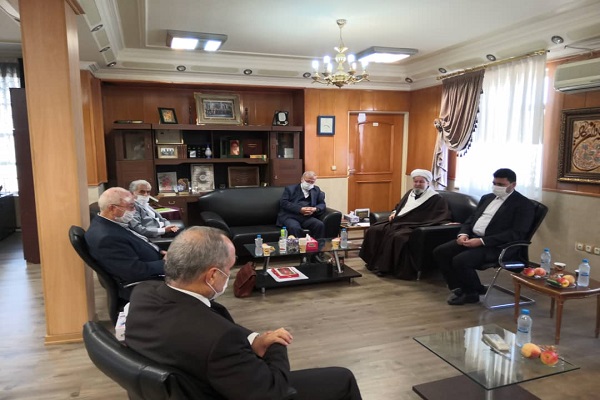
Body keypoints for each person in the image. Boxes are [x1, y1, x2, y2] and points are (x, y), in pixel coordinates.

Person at [125, 226, 362, 400]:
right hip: (229, 392)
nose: (230, 275)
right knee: (342, 379)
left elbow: (214, 321)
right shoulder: (218, 339)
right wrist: (275, 344)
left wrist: (252, 339)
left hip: (195, 381)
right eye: (229, 268)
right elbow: (273, 392)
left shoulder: (143, 293)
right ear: (212, 275)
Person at [433, 168, 535, 305]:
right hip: (473, 238)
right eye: (494, 183)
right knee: (441, 252)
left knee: (461, 260)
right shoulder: (487, 198)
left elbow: (516, 233)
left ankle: (471, 294)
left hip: (497, 246)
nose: (496, 187)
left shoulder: (523, 205)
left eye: (501, 184)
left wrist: (482, 241)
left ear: (513, 185)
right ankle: (461, 287)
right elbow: (471, 219)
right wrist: (463, 234)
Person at [359, 169, 451, 278]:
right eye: (416, 181)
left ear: (428, 183)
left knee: (397, 236)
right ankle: (373, 262)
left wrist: (444, 223)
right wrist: (394, 212)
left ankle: (388, 268)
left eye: (421, 182)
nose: (418, 184)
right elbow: (399, 206)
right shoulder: (410, 193)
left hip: (415, 225)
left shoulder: (436, 198)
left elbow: (440, 215)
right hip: (399, 221)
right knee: (374, 229)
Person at [85, 187, 165, 300]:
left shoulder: (112, 223)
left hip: (154, 265)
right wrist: (166, 264)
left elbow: (137, 243)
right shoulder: (107, 237)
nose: (134, 210)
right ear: (112, 208)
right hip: (145, 285)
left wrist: (159, 252)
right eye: (131, 206)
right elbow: (134, 271)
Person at [277, 171, 326, 239]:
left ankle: (318, 245)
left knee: (319, 225)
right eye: (308, 181)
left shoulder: (316, 189)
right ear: (302, 179)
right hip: (291, 216)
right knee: (294, 227)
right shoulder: (290, 189)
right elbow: (284, 203)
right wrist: (300, 209)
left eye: (312, 182)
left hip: (306, 217)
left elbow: (322, 204)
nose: (310, 184)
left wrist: (315, 209)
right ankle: (298, 245)